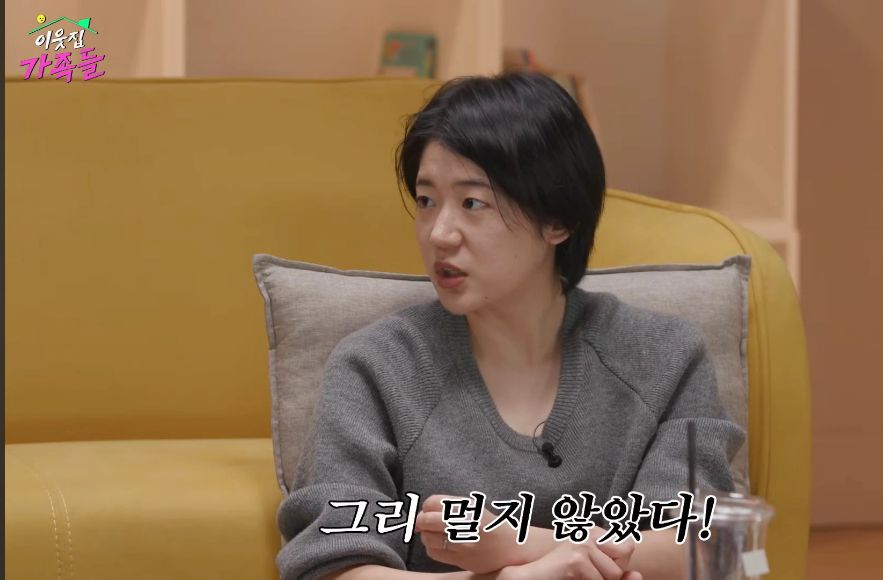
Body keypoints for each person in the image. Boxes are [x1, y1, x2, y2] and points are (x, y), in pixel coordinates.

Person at [276, 72, 746, 580]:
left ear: (557, 220)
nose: (439, 234)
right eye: (427, 201)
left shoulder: (664, 357)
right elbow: (335, 566)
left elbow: (698, 546)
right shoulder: (375, 367)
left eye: (472, 203)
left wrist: (519, 542)